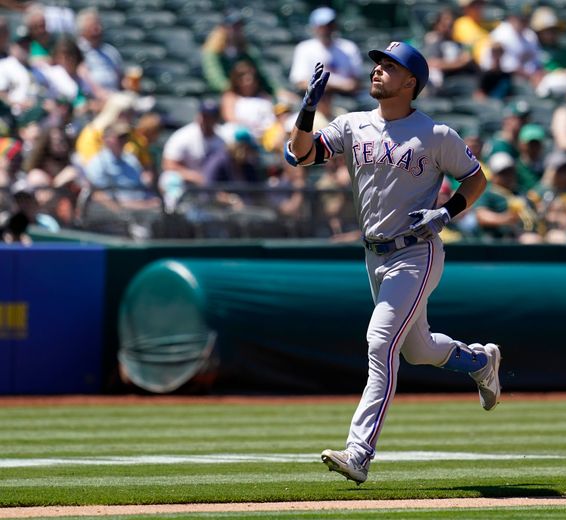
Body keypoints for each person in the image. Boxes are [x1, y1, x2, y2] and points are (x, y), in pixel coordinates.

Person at [286, 42, 501, 484]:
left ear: (411, 82)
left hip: (415, 252)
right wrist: (307, 111)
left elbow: (476, 179)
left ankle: (359, 452)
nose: (378, 71)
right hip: (374, 254)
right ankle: (479, 361)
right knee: (418, 348)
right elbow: (301, 155)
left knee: (380, 343)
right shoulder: (352, 124)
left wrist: (448, 211)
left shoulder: (436, 134)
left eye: (390, 66)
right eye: (377, 65)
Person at [159, 99, 226, 209]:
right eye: (204, 115)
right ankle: (172, 212)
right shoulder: (184, 136)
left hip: (213, 183)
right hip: (187, 183)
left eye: (210, 116)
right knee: (169, 178)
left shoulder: (222, 139)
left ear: (216, 118)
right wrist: (193, 176)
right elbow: (168, 165)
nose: (206, 120)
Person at [288, 7, 363, 96]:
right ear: (314, 27)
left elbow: (355, 83)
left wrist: (329, 85)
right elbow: (300, 82)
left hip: (345, 97)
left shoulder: (349, 47)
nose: (327, 29)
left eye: (330, 25)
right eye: (322, 26)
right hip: (314, 96)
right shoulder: (304, 48)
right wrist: (330, 86)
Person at [201, 10, 277, 97]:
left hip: (246, 93)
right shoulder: (213, 53)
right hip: (221, 95)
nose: (236, 29)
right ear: (223, 28)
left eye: (239, 26)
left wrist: (277, 91)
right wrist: (237, 90)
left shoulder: (247, 51)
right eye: (233, 26)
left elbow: (262, 77)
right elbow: (216, 80)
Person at [473, 151, 539, 241]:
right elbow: (481, 216)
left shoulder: (520, 192)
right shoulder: (488, 193)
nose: (508, 176)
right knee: (532, 240)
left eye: (510, 172)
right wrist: (505, 219)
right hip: (501, 238)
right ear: (493, 175)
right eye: (503, 173)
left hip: (528, 234)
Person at [529, 6, 566, 98]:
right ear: (538, 32)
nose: (551, 34)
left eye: (553, 31)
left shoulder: (563, 51)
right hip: (545, 87)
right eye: (547, 31)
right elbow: (534, 73)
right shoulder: (533, 49)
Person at [480, 8, 541, 84]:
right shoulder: (500, 34)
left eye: (526, 20)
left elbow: (536, 62)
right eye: (521, 20)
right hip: (499, 78)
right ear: (511, 18)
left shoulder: (530, 35)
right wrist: (530, 76)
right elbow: (506, 66)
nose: (524, 23)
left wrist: (538, 74)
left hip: (527, 77)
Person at [422, 8, 476, 94]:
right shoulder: (433, 41)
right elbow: (431, 63)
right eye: (444, 25)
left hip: (461, 79)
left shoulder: (459, 43)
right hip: (441, 85)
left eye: (451, 25)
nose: (448, 28)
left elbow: (467, 59)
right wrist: (458, 63)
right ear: (437, 25)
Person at [220, 60, 275, 140]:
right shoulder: (230, 97)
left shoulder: (264, 96)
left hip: (265, 133)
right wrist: (251, 126)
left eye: (251, 79)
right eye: (245, 80)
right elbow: (230, 117)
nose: (249, 83)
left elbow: (271, 117)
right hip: (241, 134)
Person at [76, 7, 123, 101]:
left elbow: (120, 78)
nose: (98, 29)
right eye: (93, 26)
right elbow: (80, 74)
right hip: (91, 98)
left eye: (99, 24)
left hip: (114, 95)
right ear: (82, 29)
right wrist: (100, 93)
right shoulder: (77, 50)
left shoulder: (110, 51)